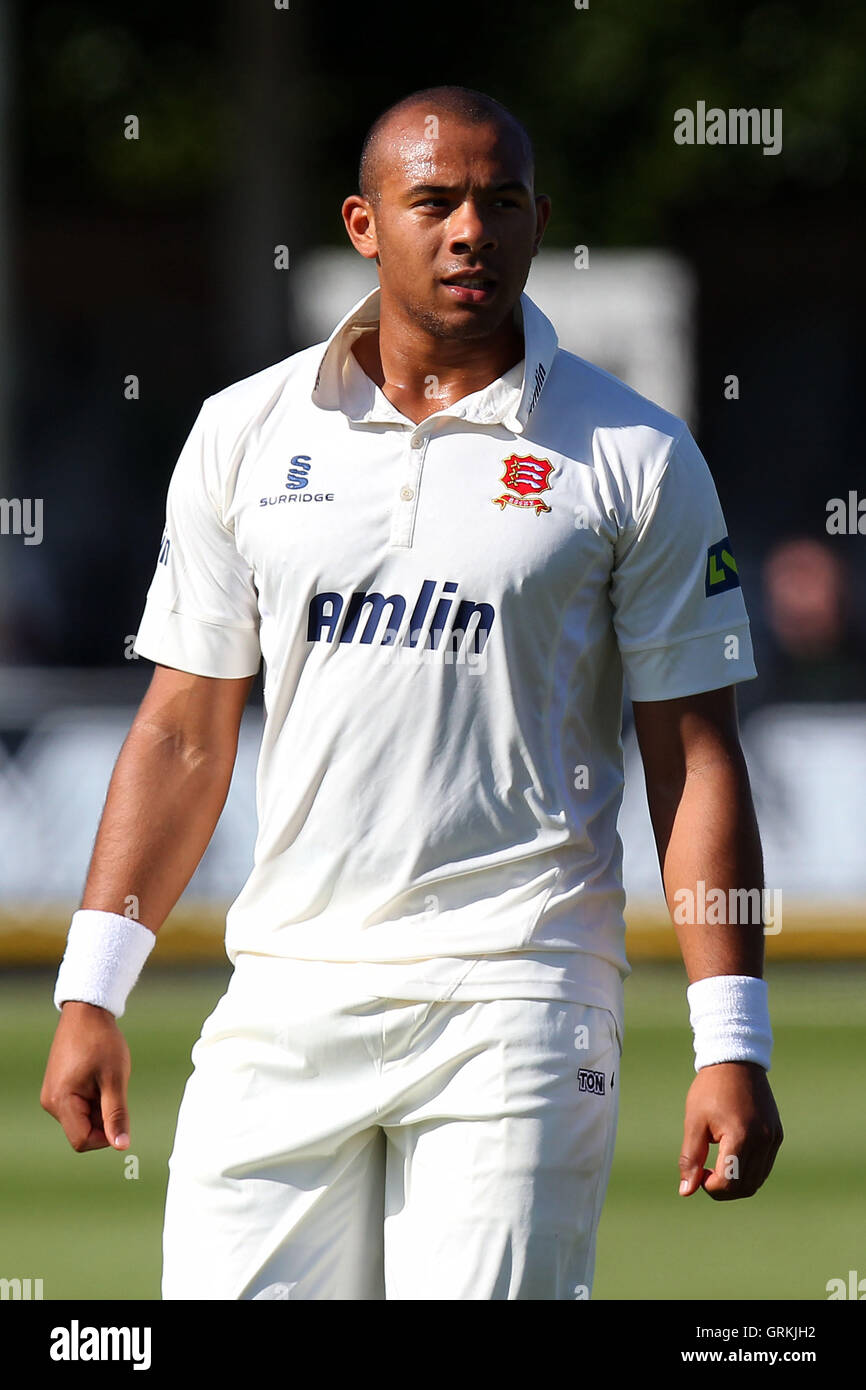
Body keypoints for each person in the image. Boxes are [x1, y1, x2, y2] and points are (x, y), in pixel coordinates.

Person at [41, 85, 782, 1301]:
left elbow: (694, 754)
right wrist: (92, 986)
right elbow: (181, 732)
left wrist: (731, 1040)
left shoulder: (637, 452)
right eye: (431, 201)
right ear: (362, 223)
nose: (468, 231)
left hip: (520, 995)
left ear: (538, 222)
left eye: (498, 204)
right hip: (285, 989)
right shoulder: (240, 431)